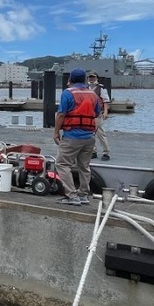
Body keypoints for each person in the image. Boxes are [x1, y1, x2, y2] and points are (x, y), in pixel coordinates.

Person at [53, 68, 102, 205]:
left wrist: (56, 132)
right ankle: (84, 195)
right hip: (89, 137)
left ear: (70, 80)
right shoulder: (93, 95)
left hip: (72, 136)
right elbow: (97, 114)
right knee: (84, 166)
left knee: (62, 164)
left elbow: (61, 114)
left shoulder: (68, 93)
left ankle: (72, 196)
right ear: (85, 80)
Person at [87, 72, 111, 161]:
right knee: (90, 133)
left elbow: (106, 101)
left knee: (100, 133)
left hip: (97, 114)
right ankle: (93, 151)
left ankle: (106, 152)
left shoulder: (101, 88)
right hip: (88, 114)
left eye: (93, 77)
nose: (91, 79)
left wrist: (105, 112)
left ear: (97, 78)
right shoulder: (86, 88)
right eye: (90, 77)